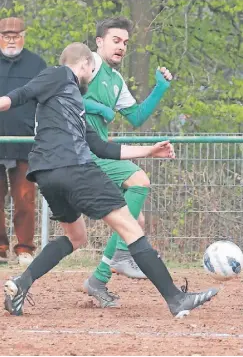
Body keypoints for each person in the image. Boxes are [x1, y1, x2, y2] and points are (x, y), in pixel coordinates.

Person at [0, 42, 218, 318]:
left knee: (76, 237)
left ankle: (21, 284)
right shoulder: (60, 74)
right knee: (131, 228)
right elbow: (18, 95)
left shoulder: (70, 106)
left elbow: (104, 148)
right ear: (85, 65)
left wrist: (149, 151)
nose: (91, 76)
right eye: (91, 71)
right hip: (74, 168)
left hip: (48, 175)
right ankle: (176, 298)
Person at [82, 16, 173, 306]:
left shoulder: (116, 79)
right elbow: (62, 94)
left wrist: (159, 88)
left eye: (125, 43)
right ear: (99, 42)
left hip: (97, 152)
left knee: (134, 217)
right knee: (139, 181)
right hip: (79, 151)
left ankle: (99, 278)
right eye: (115, 40)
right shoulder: (89, 63)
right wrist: (99, 108)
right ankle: (120, 255)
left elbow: (135, 117)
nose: (121, 47)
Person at [0, 17, 47, 266]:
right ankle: (0, 248)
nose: (11, 39)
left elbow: (47, 100)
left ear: (24, 35)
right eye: (6, 35)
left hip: (25, 144)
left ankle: (24, 248)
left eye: (15, 35)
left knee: (25, 199)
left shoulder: (37, 64)